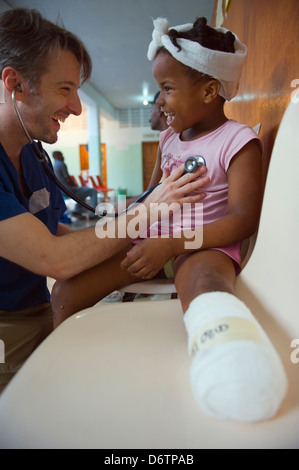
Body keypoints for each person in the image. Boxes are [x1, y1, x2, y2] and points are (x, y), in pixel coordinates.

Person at [51, 16, 288, 422]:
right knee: (67, 291)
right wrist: (129, 232)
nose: (159, 102)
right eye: (159, 88)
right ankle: (58, 374)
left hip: (203, 246)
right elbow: (149, 197)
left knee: (204, 282)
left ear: (211, 89)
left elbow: (244, 219)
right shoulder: (167, 139)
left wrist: (177, 244)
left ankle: (233, 364)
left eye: (168, 89)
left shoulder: (238, 141)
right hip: (152, 241)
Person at [0, 8, 209, 394]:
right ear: (15, 85)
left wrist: (131, 242)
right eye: (65, 89)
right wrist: (151, 208)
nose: (77, 107)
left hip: (39, 309)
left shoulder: (33, 155)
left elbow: (56, 232)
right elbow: (54, 258)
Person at [52, 150, 98, 220]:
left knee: (82, 193)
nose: (63, 157)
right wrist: (75, 185)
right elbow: (67, 179)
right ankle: (93, 215)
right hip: (68, 189)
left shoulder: (54, 165)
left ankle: (77, 212)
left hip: (61, 191)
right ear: (57, 156)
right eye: (61, 155)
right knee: (93, 191)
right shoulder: (61, 164)